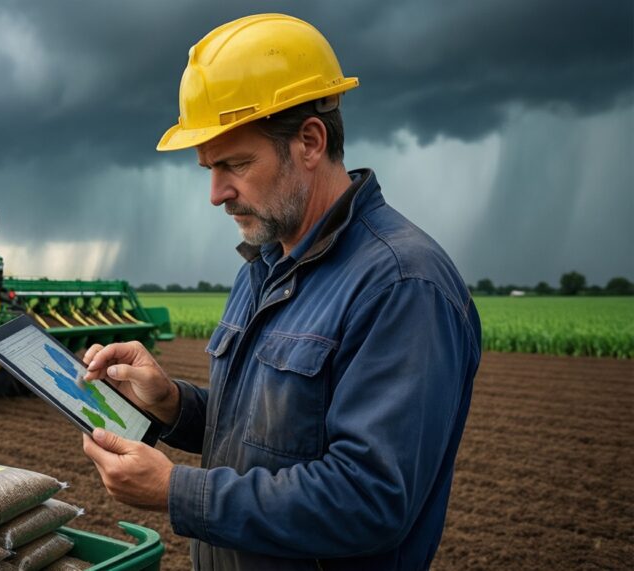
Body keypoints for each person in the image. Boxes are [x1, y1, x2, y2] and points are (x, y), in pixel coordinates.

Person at [81, 13, 481, 570]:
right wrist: (172, 403)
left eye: (235, 164)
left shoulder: (401, 284)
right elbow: (268, 443)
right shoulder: (265, 266)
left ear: (310, 142)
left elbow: (370, 500)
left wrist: (177, 491)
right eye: (208, 168)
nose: (217, 193)